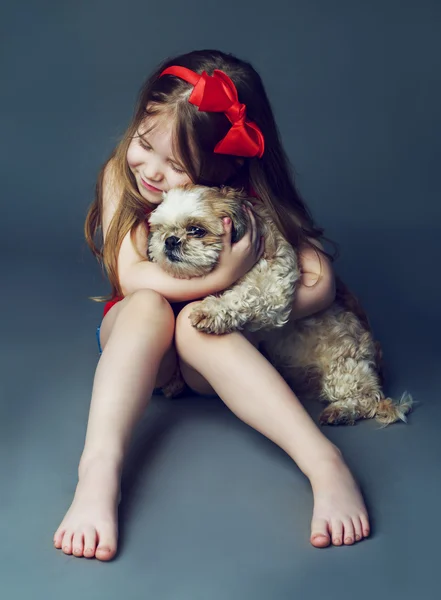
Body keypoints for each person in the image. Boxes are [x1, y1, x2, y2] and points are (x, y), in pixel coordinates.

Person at [53, 49, 371, 561]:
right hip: (143, 353)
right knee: (149, 307)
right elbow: (134, 278)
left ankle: (325, 463)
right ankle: (98, 472)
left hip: (213, 364)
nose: (150, 172)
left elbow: (321, 284)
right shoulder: (120, 175)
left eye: (175, 166)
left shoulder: (240, 198)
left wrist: (245, 306)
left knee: (200, 326)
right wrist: (227, 273)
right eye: (143, 143)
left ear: (219, 171)